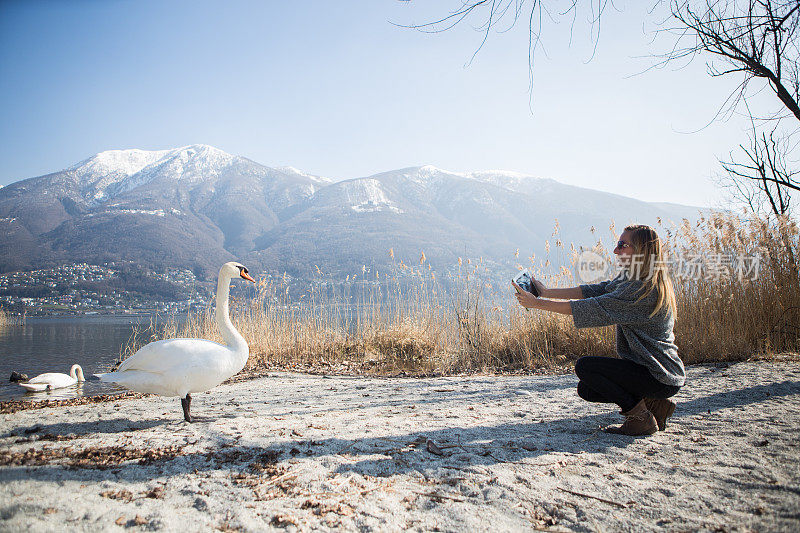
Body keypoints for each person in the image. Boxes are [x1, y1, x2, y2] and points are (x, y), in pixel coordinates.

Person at [512, 224, 684, 436]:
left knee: (586, 367)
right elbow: (596, 291)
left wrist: (538, 304)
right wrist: (546, 292)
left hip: (659, 374)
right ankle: (654, 406)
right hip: (654, 372)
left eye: (622, 245)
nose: (616, 250)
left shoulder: (641, 289)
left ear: (640, 250)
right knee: (587, 389)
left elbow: (592, 308)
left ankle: (640, 419)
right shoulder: (633, 278)